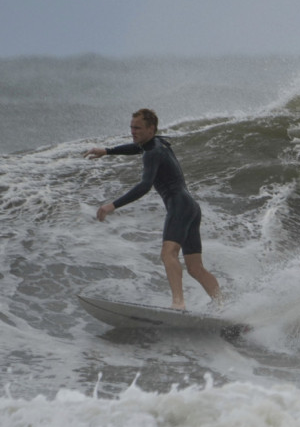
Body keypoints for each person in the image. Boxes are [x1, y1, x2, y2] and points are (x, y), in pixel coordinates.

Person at [85, 108, 220, 310]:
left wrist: (112, 205)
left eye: (138, 128)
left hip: (179, 206)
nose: (133, 131)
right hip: (190, 207)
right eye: (131, 127)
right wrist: (107, 151)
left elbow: (145, 185)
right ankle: (222, 304)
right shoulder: (158, 144)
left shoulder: (152, 152)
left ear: (151, 128)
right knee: (195, 267)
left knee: (168, 254)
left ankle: (178, 303)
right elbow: (135, 148)